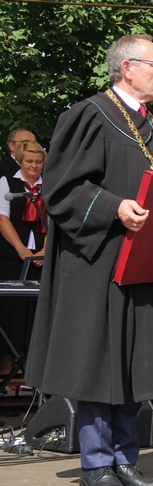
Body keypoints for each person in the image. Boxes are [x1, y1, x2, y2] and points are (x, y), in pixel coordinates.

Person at [24, 34, 153, 486]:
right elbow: (60, 188)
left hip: (144, 265)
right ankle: (97, 464)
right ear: (128, 68)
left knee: (132, 364)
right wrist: (114, 207)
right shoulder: (89, 114)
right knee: (99, 364)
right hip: (97, 263)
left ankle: (125, 459)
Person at [0, 140, 46, 376]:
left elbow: (57, 220)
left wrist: (44, 250)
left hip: (40, 256)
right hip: (13, 255)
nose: (34, 166)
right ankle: (8, 364)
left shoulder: (48, 185)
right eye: (29, 161)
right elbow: (2, 219)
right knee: (10, 312)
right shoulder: (7, 182)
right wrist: (21, 250)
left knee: (36, 312)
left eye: (38, 162)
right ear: (20, 161)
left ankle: (31, 366)